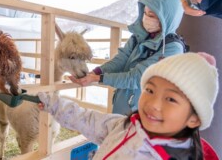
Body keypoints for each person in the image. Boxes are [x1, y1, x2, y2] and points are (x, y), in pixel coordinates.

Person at [38, 52, 219, 160]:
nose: (154, 104)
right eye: (149, 90)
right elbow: (87, 119)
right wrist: (53, 104)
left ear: (195, 118)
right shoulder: (127, 126)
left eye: (171, 99)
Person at [69, 0, 185, 115]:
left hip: (145, 116)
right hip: (122, 109)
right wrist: (94, 72)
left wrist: (97, 78)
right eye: (145, 13)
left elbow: (136, 78)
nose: (146, 19)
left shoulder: (171, 48)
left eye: (151, 15)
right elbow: (120, 60)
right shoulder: (139, 37)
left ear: (167, 17)